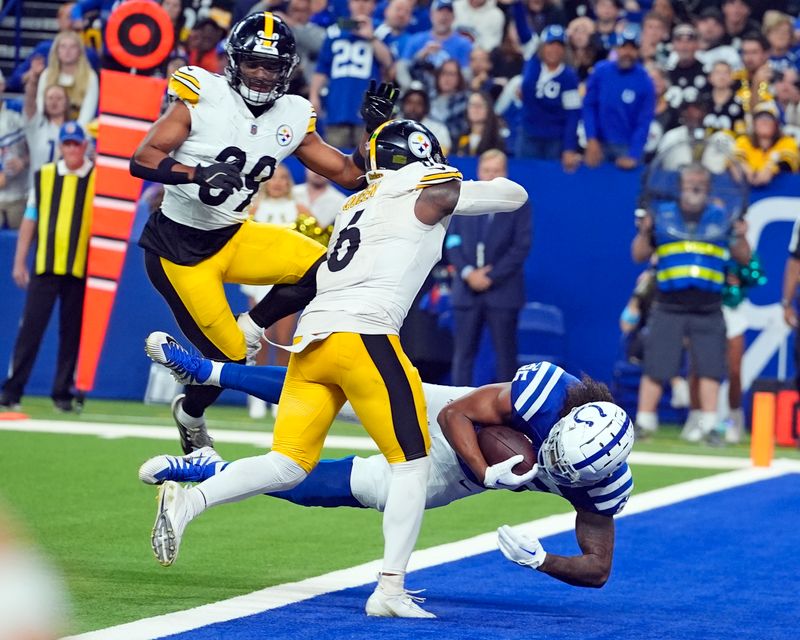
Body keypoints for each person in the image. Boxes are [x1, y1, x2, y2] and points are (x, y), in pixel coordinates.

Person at [143, 119, 529, 618]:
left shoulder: (356, 203)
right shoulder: (428, 187)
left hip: (313, 338)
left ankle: (188, 503)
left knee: (287, 463)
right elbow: (513, 195)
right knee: (410, 464)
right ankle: (390, 589)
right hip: (366, 336)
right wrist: (457, 174)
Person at [129, 12, 398, 454]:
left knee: (326, 267)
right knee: (229, 361)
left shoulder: (292, 113)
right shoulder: (203, 94)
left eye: (271, 66)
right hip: (178, 250)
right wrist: (195, 171)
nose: (260, 73)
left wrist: (373, 131)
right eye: (253, 62)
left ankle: (253, 326)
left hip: (233, 234)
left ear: (286, 70)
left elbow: (350, 175)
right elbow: (142, 157)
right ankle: (190, 412)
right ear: (235, 62)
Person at [140, 348, 633, 589]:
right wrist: (486, 472)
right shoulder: (548, 392)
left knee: (349, 487)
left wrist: (540, 561)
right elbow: (454, 414)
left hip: (456, 474)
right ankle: (209, 372)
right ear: (566, 420)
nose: (550, 466)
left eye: (563, 472)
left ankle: (210, 469)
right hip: (464, 421)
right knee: (344, 389)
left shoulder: (605, 487)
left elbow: (599, 567)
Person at [631, 163, 751, 440]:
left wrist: (742, 236)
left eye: (701, 182)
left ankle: (710, 426)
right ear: (680, 186)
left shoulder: (722, 216)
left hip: (708, 305)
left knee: (710, 367)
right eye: (690, 182)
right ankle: (645, 423)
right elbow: (638, 255)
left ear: (708, 188)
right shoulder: (662, 215)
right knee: (656, 365)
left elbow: (743, 257)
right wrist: (644, 232)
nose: (695, 186)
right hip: (668, 303)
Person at [0, 122, 94, 412]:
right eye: (66, 144)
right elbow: (30, 217)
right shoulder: (45, 176)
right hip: (46, 265)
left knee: (72, 333)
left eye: (75, 144)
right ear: (61, 146)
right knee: (30, 330)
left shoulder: (98, 178)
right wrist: (19, 261)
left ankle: (62, 394)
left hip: (80, 269)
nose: (71, 149)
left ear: (84, 146)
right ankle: (12, 391)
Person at [446, 149, 530, 385]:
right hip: (466, 292)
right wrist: (467, 273)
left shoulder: (519, 203)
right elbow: (452, 241)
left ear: (506, 173)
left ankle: (508, 414)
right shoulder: (464, 199)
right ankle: (456, 410)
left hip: (503, 293)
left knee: (506, 359)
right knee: (462, 356)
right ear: (479, 171)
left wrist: (490, 276)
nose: (492, 176)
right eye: (487, 170)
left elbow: (521, 247)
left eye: (497, 171)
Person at [310, 0, 394, 149]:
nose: (361, 5)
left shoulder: (381, 30)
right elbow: (322, 68)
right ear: (349, 4)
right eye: (356, 1)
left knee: (366, 160)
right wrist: (314, 95)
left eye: (366, 1)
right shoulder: (335, 30)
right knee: (334, 162)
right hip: (337, 106)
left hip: (368, 109)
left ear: (373, 5)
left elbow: (389, 63)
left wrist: (371, 37)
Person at [582, 26, 656, 170]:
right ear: (616, 48)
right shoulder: (601, 71)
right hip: (599, 144)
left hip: (627, 147)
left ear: (638, 51)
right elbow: (589, 106)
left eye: (632, 48)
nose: (627, 53)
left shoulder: (645, 81)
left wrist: (634, 154)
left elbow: (644, 121)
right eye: (623, 47)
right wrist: (591, 139)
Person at [517, 24, 581, 170]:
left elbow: (573, 114)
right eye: (550, 44)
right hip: (528, 133)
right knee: (525, 178)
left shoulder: (569, 77)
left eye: (559, 46)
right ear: (542, 47)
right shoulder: (532, 63)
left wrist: (569, 148)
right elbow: (523, 32)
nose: (554, 50)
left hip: (554, 139)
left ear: (564, 50)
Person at [36, 31, 99, 126]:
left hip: (79, 133)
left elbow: (88, 113)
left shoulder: (90, 76)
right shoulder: (46, 75)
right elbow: (40, 108)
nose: (67, 51)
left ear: (79, 51)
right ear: (57, 51)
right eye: (63, 46)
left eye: (72, 47)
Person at [734, 101, 800, 186]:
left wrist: (771, 170)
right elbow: (736, 157)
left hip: (780, 190)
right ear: (754, 124)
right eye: (760, 118)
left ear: (776, 124)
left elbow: (790, 159)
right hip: (748, 191)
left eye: (769, 118)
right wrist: (745, 169)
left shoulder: (787, 141)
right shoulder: (744, 141)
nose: (764, 122)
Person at [0, 69, 29, 230]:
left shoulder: (17, 116)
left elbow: (35, 150)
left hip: (18, 195)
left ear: (2, 86)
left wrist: (23, 161)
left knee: (19, 246)